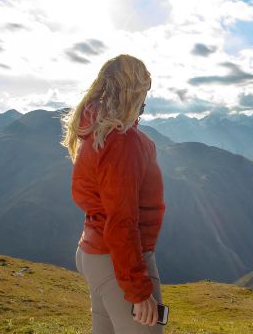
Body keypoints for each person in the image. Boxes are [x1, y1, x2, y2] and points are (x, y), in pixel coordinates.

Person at [62, 54, 166, 334]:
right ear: (134, 92)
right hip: (117, 260)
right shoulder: (122, 141)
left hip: (93, 253)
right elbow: (122, 219)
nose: (145, 102)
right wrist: (138, 290)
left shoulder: (94, 130)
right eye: (144, 93)